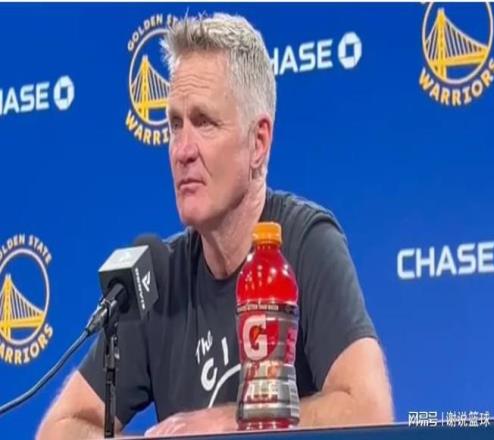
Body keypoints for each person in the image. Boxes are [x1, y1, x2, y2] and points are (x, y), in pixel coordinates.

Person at [37, 13, 393, 439]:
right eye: (175, 124)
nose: (182, 150)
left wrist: (227, 425)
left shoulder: (304, 242)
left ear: (258, 142)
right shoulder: (159, 276)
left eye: (204, 122)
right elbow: (58, 428)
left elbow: (368, 408)